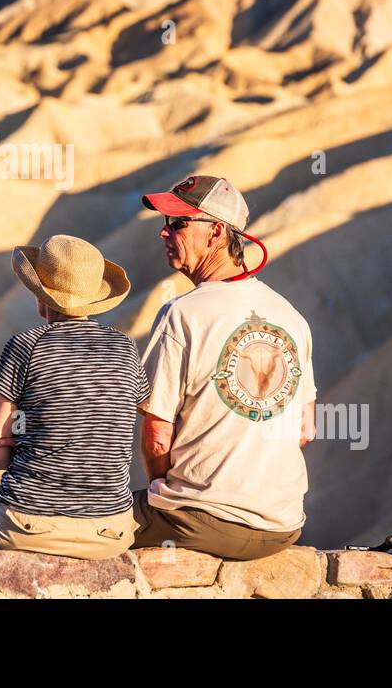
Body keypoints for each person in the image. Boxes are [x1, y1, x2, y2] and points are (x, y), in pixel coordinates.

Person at [132, 174, 317, 560]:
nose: (164, 234)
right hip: (282, 526)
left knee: (75, 524)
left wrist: (165, 491)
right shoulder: (292, 318)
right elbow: (304, 429)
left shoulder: (181, 314)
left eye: (177, 223)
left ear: (216, 232)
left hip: (199, 520)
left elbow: (157, 437)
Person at [0, 234, 148, 558]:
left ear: (41, 296)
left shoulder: (26, 346)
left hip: (27, 525)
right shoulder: (125, 348)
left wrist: (26, 444)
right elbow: (132, 413)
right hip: (110, 532)